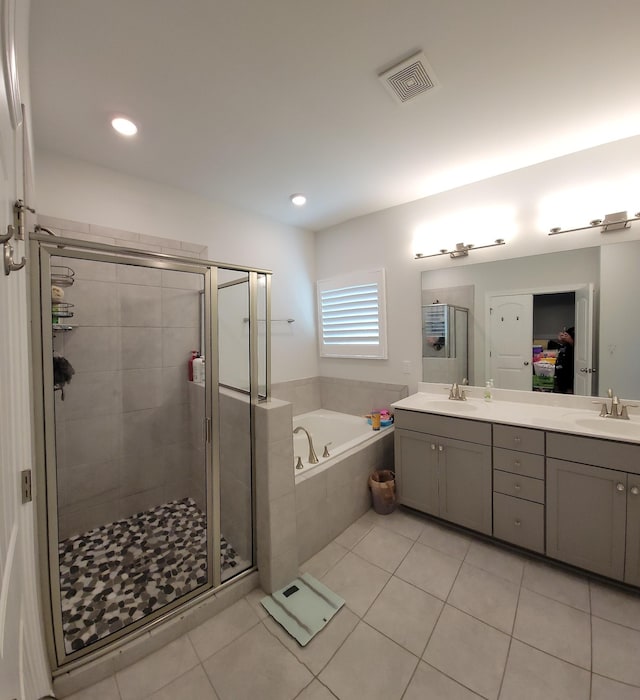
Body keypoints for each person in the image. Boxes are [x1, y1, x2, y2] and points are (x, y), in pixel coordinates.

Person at [554, 327, 574, 393]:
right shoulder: (565, 344)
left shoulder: (573, 346)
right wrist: (561, 340)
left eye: (566, 335)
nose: (564, 337)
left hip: (568, 373)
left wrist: (570, 340)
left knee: (567, 391)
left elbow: (573, 346)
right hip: (560, 372)